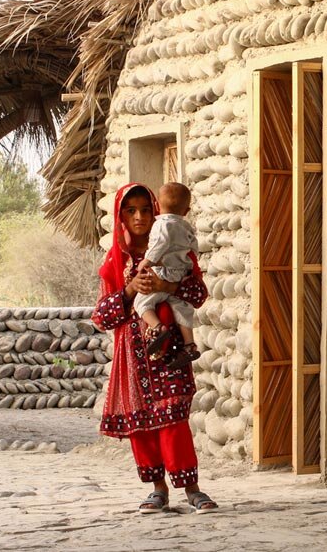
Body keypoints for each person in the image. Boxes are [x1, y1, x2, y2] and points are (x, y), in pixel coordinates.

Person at [92, 182, 219, 515]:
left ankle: (192, 489)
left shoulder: (174, 249)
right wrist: (131, 289)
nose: (139, 217)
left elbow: (198, 295)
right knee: (142, 424)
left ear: (157, 210)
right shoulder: (115, 261)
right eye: (131, 211)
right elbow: (102, 316)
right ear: (121, 216)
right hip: (133, 358)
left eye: (146, 209)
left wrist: (167, 285)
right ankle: (158, 490)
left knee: (174, 417)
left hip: (171, 352)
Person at [133, 182, 201, 369]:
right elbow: (194, 246)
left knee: (142, 302)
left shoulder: (161, 224)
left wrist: (148, 261)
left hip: (163, 272)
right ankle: (189, 345)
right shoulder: (186, 226)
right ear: (186, 210)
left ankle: (157, 327)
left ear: (156, 206)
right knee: (182, 308)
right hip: (181, 273)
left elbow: (159, 245)